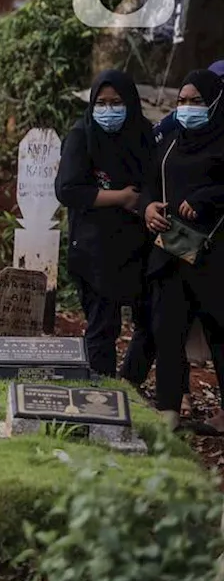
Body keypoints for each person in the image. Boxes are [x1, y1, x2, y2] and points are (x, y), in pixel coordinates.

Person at [55, 70, 155, 379]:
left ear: (130, 104)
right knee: (102, 329)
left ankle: (129, 386)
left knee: (153, 323)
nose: (108, 110)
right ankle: (102, 400)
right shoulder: (82, 136)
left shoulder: (144, 136)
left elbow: (157, 178)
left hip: (141, 246)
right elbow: (68, 190)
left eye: (116, 102)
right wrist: (121, 198)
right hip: (95, 249)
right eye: (101, 103)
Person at [143, 69, 224, 429]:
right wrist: (148, 208)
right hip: (171, 251)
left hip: (212, 255)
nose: (188, 108)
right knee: (167, 329)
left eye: (197, 101)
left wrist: (205, 199)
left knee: (219, 331)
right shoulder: (170, 138)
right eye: (182, 101)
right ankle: (169, 410)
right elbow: (148, 180)